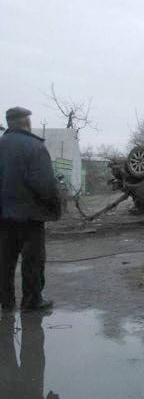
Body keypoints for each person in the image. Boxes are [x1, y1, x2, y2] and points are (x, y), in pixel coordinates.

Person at [0, 107, 60, 312]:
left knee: (4, 261)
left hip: (3, 216)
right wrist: (53, 208)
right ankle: (32, 301)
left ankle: (6, 303)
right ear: (26, 123)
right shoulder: (35, 147)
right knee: (32, 261)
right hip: (30, 216)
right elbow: (45, 184)